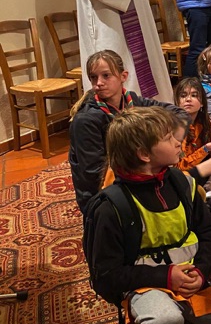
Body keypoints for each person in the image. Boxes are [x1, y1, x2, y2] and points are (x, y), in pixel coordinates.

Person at [88, 106, 211, 324]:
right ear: (144, 154)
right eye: (169, 138)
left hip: (191, 282)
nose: (178, 142)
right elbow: (106, 276)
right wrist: (165, 277)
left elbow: (208, 233)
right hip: (145, 286)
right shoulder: (111, 207)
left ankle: (185, 322)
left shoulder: (183, 183)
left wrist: (202, 271)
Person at [69, 49, 182, 216]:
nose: (99, 83)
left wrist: (170, 141)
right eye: (93, 77)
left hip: (132, 177)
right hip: (102, 194)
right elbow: (94, 175)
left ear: (123, 76)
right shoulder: (86, 120)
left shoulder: (132, 101)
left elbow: (177, 113)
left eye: (106, 76)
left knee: (178, 184)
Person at [172, 77, 211, 176]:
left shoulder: (205, 121)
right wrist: (205, 150)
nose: (188, 99)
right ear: (177, 101)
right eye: (183, 96)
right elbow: (178, 167)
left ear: (202, 102)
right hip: (185, 174)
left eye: (194, 95)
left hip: (203, 164)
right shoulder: (176, 126)